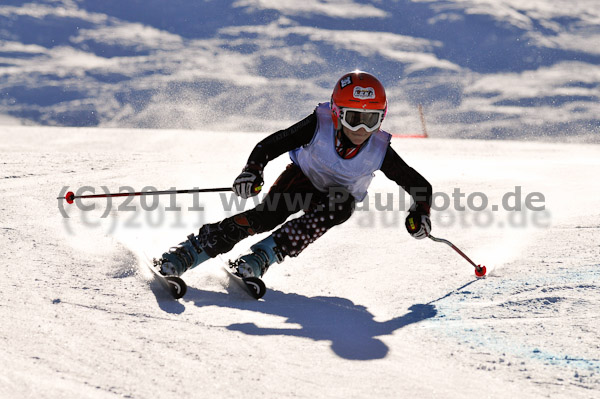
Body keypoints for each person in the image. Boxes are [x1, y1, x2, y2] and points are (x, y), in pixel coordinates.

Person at [158, 70, 432, 279]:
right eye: (353, 118)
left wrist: (420, 212)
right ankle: (191, 251)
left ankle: (265, 255)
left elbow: (420, 186)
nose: (361, 130)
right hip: (300, 181)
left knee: (341, 205)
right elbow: (271, 144)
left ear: (381, 119)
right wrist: (253, 170)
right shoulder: (319, 124)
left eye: (370, 120)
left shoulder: (379, 149)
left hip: (334, 200)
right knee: (266, 216)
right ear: (336, 114)